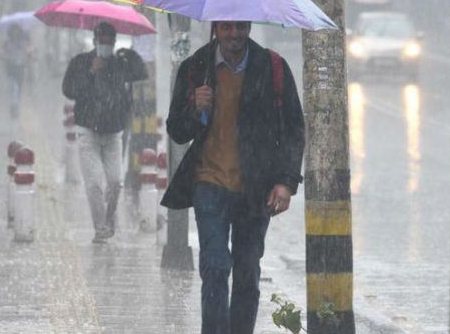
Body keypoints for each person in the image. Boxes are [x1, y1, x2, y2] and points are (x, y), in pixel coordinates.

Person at [162, 21, 305, 334]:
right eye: (226, 28)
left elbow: (294, 128)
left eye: (240, 27)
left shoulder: (272, 67)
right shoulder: (195, 67)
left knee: (246, 273)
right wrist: (193, 107)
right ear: (216, 28)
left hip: (256, 189)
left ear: (250, 27)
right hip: (208, 184)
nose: (233, 35)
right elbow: (176, 130)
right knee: (214, 267)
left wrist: (286, 181)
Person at [62, 22, 148, 244]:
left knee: (116, 181)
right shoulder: (81, 62)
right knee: (93, 183)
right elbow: (69, 90)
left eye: (110, 41)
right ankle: (100, 228)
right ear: (95, 41)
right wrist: (91, 72)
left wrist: (130, 54)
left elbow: (141, 73)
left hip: (113, 133)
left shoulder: (119, 65)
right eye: (102, 41)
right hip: (87, 131)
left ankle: (109, 219)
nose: (106, 45)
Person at [2, 25, 31, 118]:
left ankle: (16, 105)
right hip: (11, 68)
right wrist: (6, 58)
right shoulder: (7, 43)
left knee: (19, 89)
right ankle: (13, 105)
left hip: (20, 69)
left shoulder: (23, 43)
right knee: (13, 87)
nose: (15, 33)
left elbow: (27, 54)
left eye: (17, 31)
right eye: (13, 31)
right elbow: (4, 55)